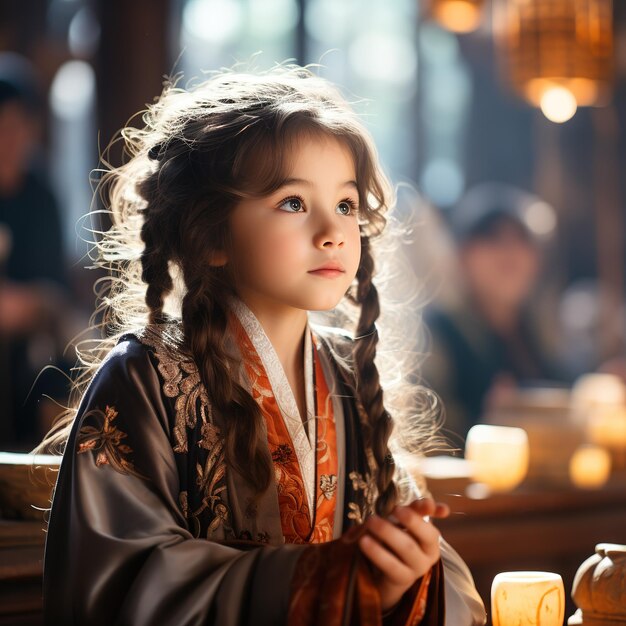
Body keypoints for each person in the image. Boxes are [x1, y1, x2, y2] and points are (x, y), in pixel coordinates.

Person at [39, 66, 486, 625]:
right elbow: (120, 581)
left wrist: (405, 570)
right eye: (293, 203)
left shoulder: (349, 374)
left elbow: (422, 562)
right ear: (212, 235)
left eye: (345, 204)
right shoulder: (146, 377)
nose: (332, 230)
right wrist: (315, 577)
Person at [423, 183, 565, 443]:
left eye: (522, 240)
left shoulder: (534, 333)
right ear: (462, 256)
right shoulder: (437, 335)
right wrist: (486, 426)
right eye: (492, 238)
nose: (509, 254)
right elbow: (425, 434)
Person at [0, 53, 71, 448]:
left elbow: (52, 298)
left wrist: (25, 306)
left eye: (16, 126)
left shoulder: (41, 197)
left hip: (28, 358)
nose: (8, 139)